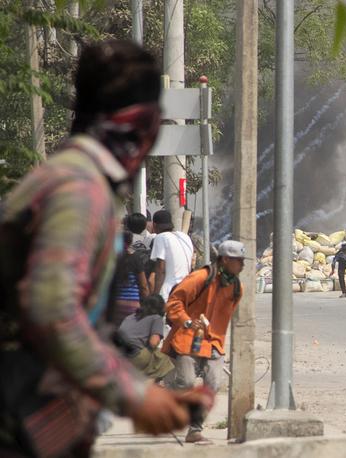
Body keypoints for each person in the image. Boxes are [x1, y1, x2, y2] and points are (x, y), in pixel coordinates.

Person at [0, 40, 210, 457]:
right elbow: (53, 311)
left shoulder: (72, 179)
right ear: (144, 123)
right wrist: (138, 397)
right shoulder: (80, 189)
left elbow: (83, 324)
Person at [162, 240, 246, 443]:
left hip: (213, 342)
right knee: (187, 383)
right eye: (238, 261)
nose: (242, 265)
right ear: (225, 260)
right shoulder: (201, 277)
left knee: (214, 383)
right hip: (187, 338)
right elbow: (174, 302)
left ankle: (195, 429)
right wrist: (188, 322)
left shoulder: (236, 287)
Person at [117, 294, 174, 381]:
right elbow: (153, 343)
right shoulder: (156, 318)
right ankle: (149, 383)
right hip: (134, 357)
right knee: (163, 356)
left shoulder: (129, 317)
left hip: (118, 354)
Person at [150, 209, 194, 301]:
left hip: (169, 292)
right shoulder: (185, 237)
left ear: (154, 225)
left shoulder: (160, 238)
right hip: (186, 289)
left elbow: (160, 269)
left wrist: (156, 295)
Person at [111, 230, 151, 326]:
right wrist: (148, 304)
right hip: (132, 306)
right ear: (131, 242)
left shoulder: (113, 258)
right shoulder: (136, 259)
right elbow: (143, 286)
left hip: (115, 305)